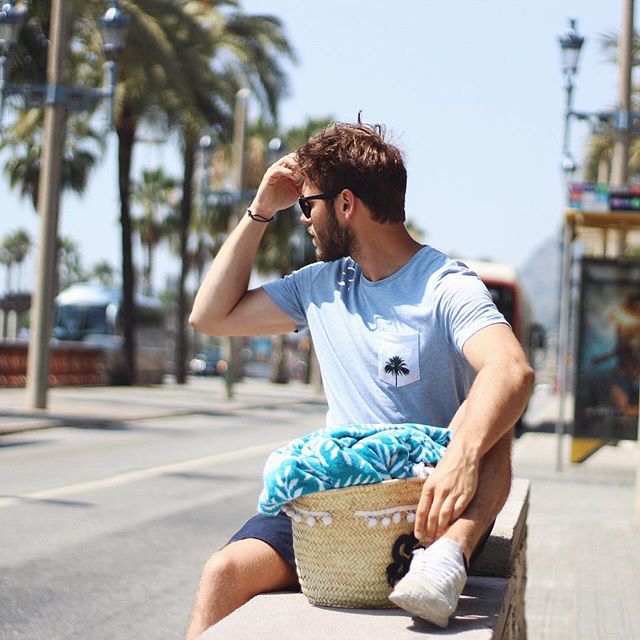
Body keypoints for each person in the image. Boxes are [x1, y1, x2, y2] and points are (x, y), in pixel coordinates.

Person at [186, 122, 534, 638]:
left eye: (308, 205)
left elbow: (512, 368)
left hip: (424, 504)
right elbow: (210, 316)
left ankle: (448, 559)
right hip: (337, 501)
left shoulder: (444, 286)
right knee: (222, 572)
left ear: (345, 204)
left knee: (493, 409)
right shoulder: (320, 286)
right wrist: (260, 209)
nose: (303, 218)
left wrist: (461, 459)